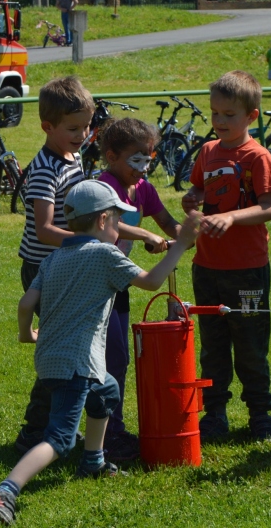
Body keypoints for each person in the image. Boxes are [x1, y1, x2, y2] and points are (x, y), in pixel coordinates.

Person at [0, 180, 201, 525]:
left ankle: (93, 461)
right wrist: (181, 244)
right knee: (60, 439)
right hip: (76, 362)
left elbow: (26, 303)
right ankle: (4, 490)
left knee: (107, 392)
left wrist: (26, 334)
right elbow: (153, 282)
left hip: (53, 355)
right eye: (116, 223)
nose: (119, 231)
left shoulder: (55, 257)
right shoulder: (105, 254)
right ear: (103, 221)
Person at [181, 70, 271, 442]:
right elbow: (196, 192)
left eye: (229, 115)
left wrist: (230, 217)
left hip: (247, 269)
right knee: (213, 346)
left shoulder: (258, 157)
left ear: (251, 116)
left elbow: (269, 207)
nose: (220, 121)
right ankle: (214, 415)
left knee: (251, 347)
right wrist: (191, 201)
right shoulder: (207, 152)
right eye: (215, 114)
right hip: (207, 267)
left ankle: (261, 417)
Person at [14, 76, 95, 453]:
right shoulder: (45, 168)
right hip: (44, 268)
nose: (82, 135)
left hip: (65, 265)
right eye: (73, 128)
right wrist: (88, 241)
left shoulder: (72, 156)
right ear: (48, 127)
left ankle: (52, 426)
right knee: (60, 353)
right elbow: (46, 230)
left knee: (65, 350)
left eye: (86, 126)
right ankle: (36, 431)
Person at [97, 117, 182, 461]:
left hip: (120, 282)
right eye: (135, 160)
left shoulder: (143, 188)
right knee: (106, 359)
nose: (142, 168)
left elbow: (165, 222)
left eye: (148, 159)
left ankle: (112, 431)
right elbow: (110, 226)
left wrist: (188, 232)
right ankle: (104, 436)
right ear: (111, 155)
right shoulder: (104, 186)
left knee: (119, 359)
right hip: (97, 284)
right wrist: (147, 236)